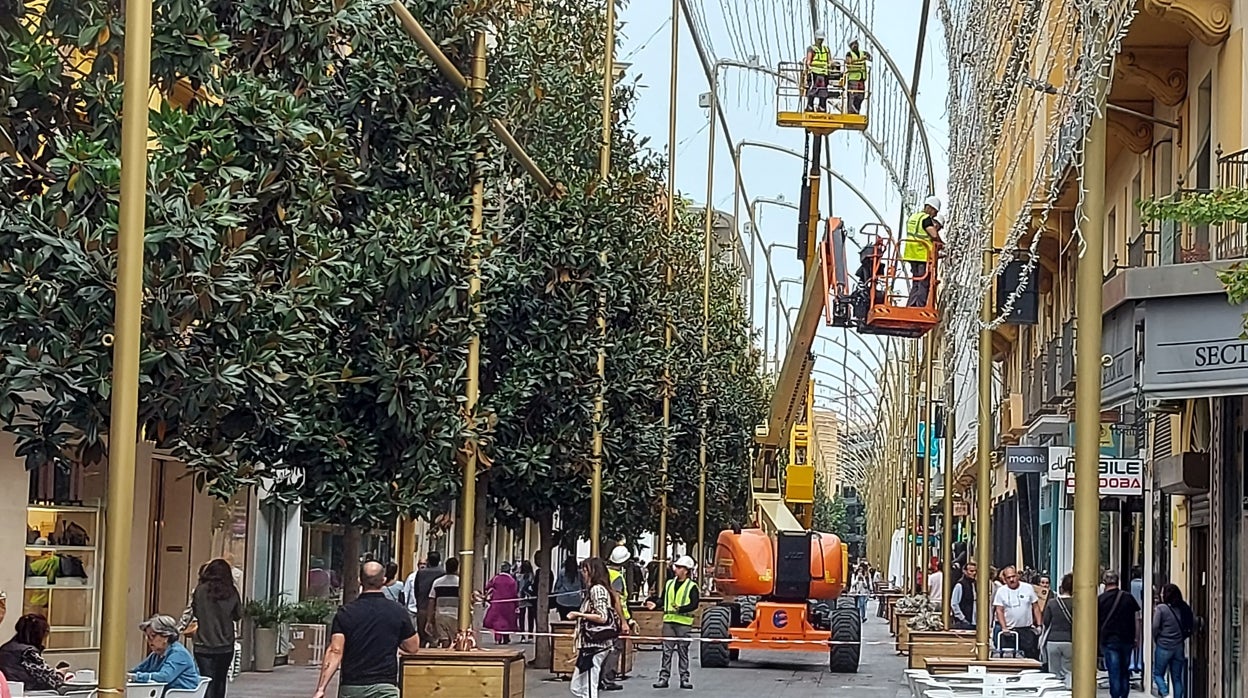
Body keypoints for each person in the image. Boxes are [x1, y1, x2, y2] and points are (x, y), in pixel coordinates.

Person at [312, 561, 420, 698]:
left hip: (352, 687)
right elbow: (413, 647)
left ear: (359, 580)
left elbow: (335, 650)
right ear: (384, 580)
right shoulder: (397, 611)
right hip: (385, 686)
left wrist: (321, 688)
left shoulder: (346, 613)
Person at [186, 559, 242, 698]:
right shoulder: (231, 591)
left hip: (203, 643)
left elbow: (196, 612)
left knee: (207, 679)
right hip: (225, 644)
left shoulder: (200, 591)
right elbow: (238, 615)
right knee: (220, 680)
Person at [568, 557, 621, 698]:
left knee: (589, 681)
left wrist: (578, 614)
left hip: (595, 644)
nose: (583, 574)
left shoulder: (597, 590)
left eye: (585, 570)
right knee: (580, 683)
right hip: (592, 644)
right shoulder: (599, 589)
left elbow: (602, 616)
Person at [647, 556, 699, 690]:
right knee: (666, 651)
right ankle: (663, 678)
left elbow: (694, 604)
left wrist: (681, 609)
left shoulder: (692, 586)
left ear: (686, 571)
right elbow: (663, 599)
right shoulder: (669, 583)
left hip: (683, 623)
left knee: (683, 651)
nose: (676, 569)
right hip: (669, 621)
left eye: (680, 567)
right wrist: (655, 604)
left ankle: (684, 678)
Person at [1097, 570, 1141, 698]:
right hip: (1127, 640)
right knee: (1124, 670)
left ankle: (1116, 695)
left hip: (1109, 641)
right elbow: (1137, 619)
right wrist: (1137, 638)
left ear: (1105, 583)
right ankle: (1124, 694)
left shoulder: (1101, 600)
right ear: (1118, 581)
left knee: (1114, 671)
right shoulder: (1128, 598)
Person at [131, 615, 202, 692]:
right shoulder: (156, 654)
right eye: (147, 637)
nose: (149, 640)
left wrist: (136, 677)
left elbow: (164, 677)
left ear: (166, 636)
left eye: (152, 636)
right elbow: (137, 670)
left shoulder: (179, 653)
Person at [601, 546, 635, 691]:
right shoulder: (618, 577)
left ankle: (598, 677)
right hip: (614, 618)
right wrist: (625, 621)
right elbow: (618, 601)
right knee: (615, 649)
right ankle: (608, 678)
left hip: (603, 615)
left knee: (603, 648)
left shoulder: (604, 573)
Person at [0, 614, 64, 692]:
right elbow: (54, 681)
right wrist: (61, 673)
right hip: (27, 692)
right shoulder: (28, 653)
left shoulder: (5, 648)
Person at [1152, 583, 1193, 698]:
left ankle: (1165, 694)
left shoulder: (1161, 608)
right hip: (1178, 646)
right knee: (1177, 678)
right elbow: (1190, 624)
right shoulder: (1183, 607)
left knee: (1158, 674)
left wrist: (1156, 638)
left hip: (1164, 645)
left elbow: (1155, 626)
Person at [992, 565, 1041, 659]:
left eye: (1013, 576)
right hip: (1009, 631)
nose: (1011, 579)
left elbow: (1036, 607)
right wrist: (1004, 627)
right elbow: (999, 610)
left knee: (1029, 656)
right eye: (1008, 578)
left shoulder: (1028, 588)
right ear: (1005, 579)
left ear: (1017, 576)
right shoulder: (1001, 591)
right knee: (1008, 657)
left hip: (1025, 630)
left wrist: (1039, 625)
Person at [903, 197, 944, 308]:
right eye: (935, 212)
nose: (935, 215)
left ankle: (911, 305)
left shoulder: (913, 217)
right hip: (922, 255)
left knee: (916, 282)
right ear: (930, 208)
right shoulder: (926, 219)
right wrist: (942, 245)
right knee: (923, 282)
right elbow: (933, 235)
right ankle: (920, 306)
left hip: (911, 254)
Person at [403, 551, 443, 647]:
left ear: (428, 561)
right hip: (438, 608)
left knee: (422, 635)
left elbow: (416, 590)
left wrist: (418, 603)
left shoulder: (421, 573)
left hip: (422, 607)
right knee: (436, 637)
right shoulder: (443, 573)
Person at [1041, 573, 1074, 688]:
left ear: (1062, 587)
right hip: (1070, 641)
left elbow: (1045, 621)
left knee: (1054, 673)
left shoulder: (1052, 603)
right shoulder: (1077, 603)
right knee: (1069, 672)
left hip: (1053, 640)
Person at [426, 557, 461, 648]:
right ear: (457, 568)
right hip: (456, 616)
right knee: (456, 641)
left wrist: (429, 620)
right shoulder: (460, 583)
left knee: (444, 639)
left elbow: (431, 601)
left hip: (440, 615)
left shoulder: (437, 582)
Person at [483, 563, 519, 644]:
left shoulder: (496, 579)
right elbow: (515, 593)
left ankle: (497, 638)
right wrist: (517, 605)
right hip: (509, 604)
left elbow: (487, 586)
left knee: (498, 622)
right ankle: (506, 638)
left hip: (497, 603)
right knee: (508, 622)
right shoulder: (512, 581)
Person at [803, 30, 832, 112]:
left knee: (823, 90)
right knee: (813, 89)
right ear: (816, 38)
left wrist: (831, 65)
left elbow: (829, 60)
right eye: (819, 39)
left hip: (824, 72)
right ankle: (810, 105)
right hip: (814, 72)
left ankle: (822, 106)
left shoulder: (826, 49)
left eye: (821, 39)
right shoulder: (811, 48)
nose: (820, 40)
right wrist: (808, 67)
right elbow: (809, 60)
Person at [843, 39, 871, 114]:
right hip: (853, 78)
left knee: (861, 96)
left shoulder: (863, 53)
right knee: (853, 95)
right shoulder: (849, 54)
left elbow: (870, 58)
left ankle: (857, 109)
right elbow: (849, 61)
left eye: (856, 43)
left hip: (861, 78)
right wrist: (861, 60)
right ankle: (852, 111)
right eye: (853, 44)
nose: (855, 45)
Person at [553, 557, 586, 621]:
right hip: (575, 601)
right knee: (574, 621)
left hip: (562, 600)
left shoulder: (562, 572)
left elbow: (558, 585)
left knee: (563, 621)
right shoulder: (579, 573)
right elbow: (583, 586)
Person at [950, 561, 977, 630]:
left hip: (973, 622)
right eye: (971, 571)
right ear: (964, 571)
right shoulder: (960, 585)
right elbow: (954, 603)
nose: (974, 573)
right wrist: (962, 618)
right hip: (963, 623)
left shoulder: (974, 584)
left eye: (975, 571)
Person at [515, 561, 536, 642]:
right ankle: (530, 635)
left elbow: (517, 587)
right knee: (530, 617)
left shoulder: (518, 576)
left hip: (521, 597)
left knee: (521, 618)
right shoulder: (532, 576)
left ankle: (523, 635)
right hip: (530, 597)